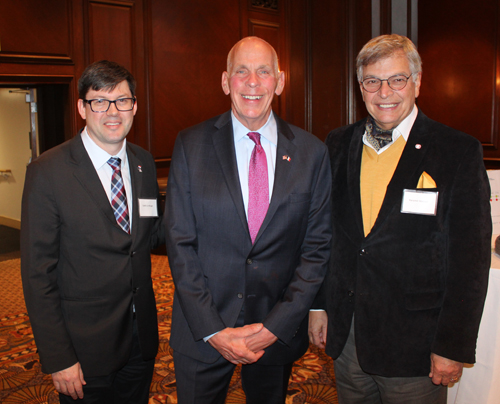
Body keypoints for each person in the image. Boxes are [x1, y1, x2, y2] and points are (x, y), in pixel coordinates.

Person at [308, 34, 492, 404]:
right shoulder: (337, 144)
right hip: (349, 338)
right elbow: (324, 235)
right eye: (372, 81)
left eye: (397, 79)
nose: (384, 92)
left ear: (418, 81)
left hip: (415, 347)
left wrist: (453, 346)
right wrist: (318, 305)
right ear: (360, 88)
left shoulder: (456, 151)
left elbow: (470, 263)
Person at [164, 36, 332, 404]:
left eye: (263, 72)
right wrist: (214, 330)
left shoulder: (312, 153)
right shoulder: (190, 145)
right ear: (226, 82)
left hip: (274, 328)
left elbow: (316, 249)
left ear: (280, 80)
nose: (252, 82)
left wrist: (276, 327)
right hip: (203, 331)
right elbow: (179, 243)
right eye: (242, 72)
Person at [21, 60, 163, 403]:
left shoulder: (143, 163)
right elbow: (38, 274)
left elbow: (153, 236)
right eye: (100, 101)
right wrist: (59, 357)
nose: (112, 111)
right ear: (82, 107)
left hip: (140, 340)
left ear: (135, 107)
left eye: (123, 100)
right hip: (83, 351)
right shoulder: (48, 172)